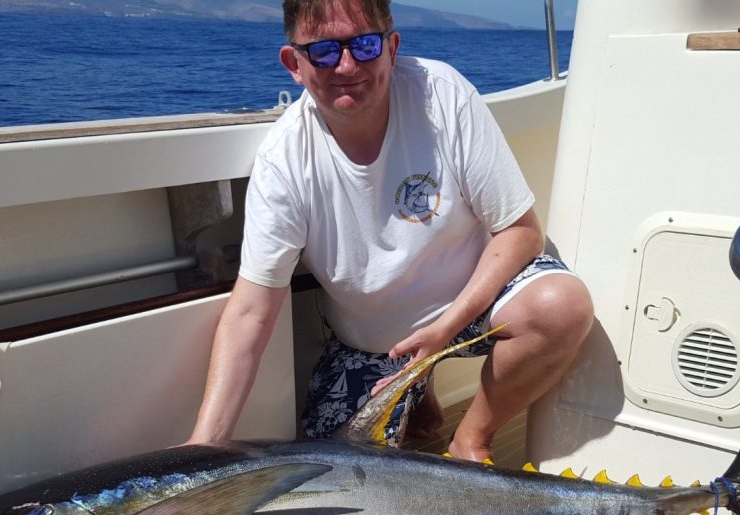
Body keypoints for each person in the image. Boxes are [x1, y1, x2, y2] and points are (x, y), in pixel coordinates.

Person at [187, 0, 593, 463]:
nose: (346, 66)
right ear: (294, 64)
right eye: (323, 51)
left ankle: (470, 439)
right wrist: (204, 446)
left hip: (472, 304)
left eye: (364, 45)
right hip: (375, 342)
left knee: (559, 307)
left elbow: (520, 232)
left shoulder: (442, 95)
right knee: (336, 464)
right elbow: (250, 313)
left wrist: (443, 329)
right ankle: (418, 390)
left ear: (392, 48)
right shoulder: (284, 160)